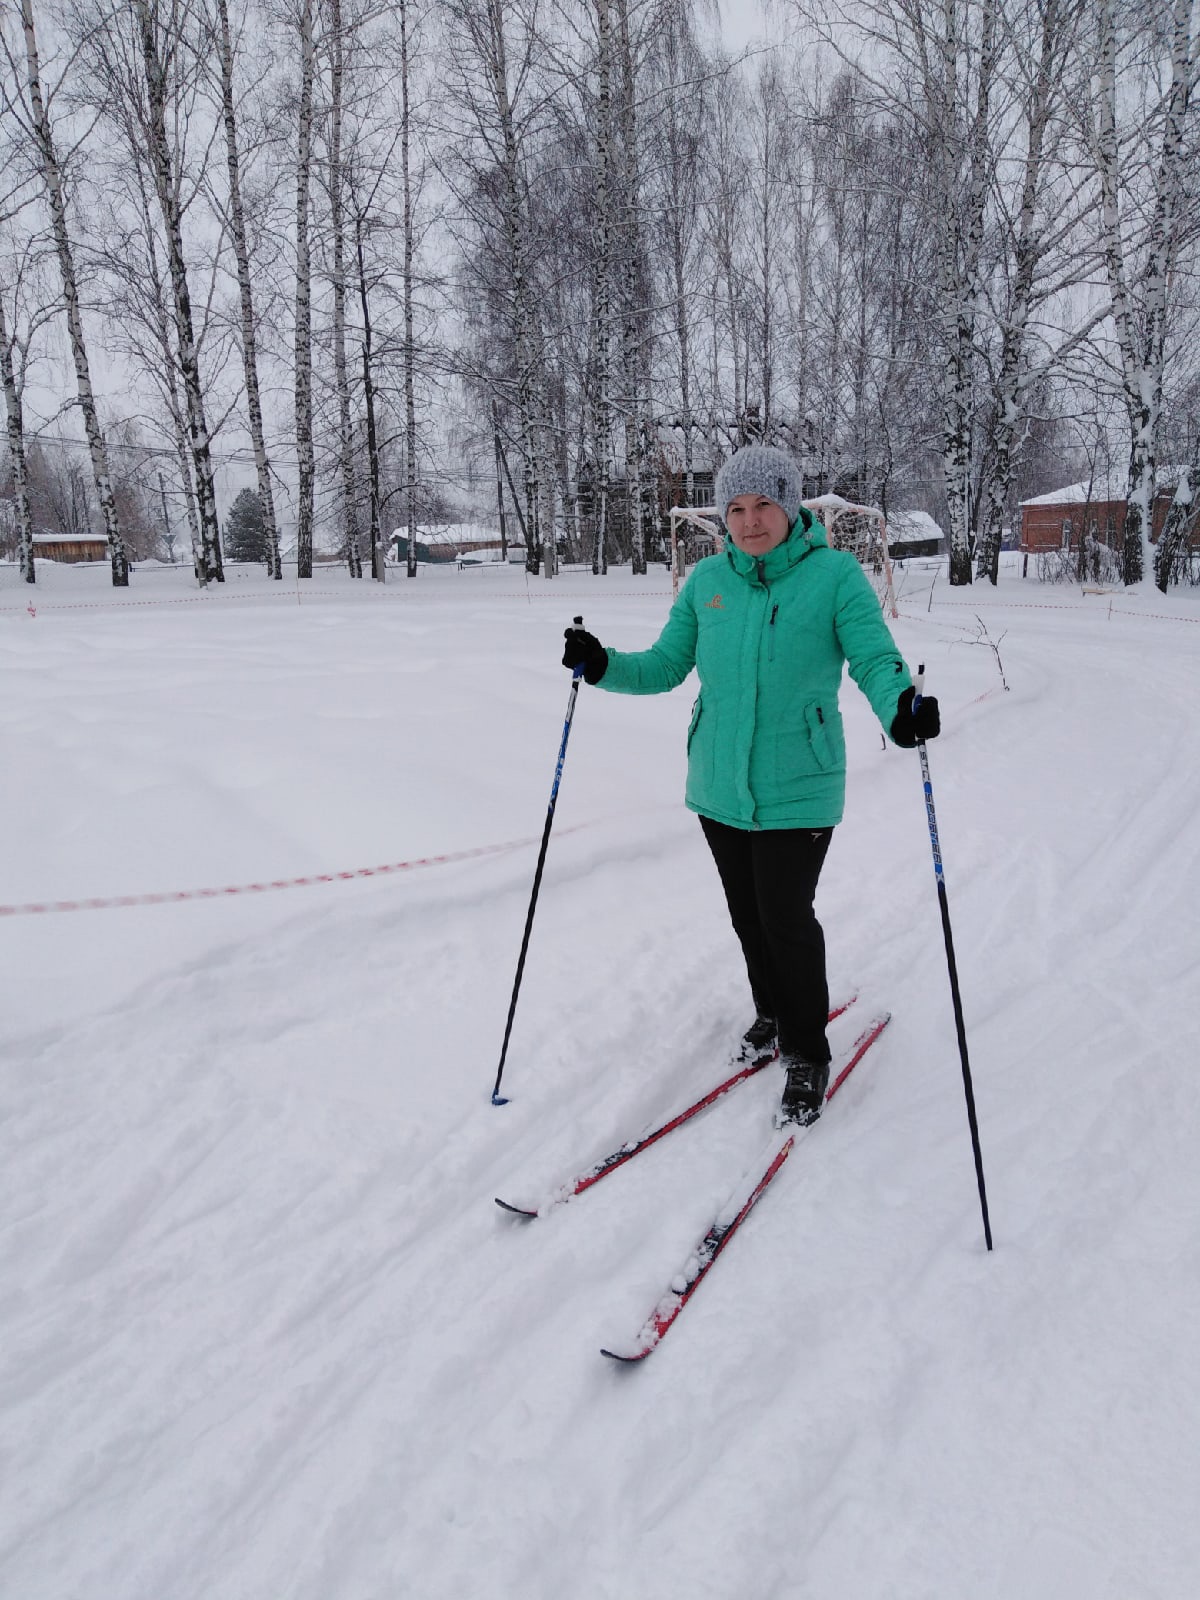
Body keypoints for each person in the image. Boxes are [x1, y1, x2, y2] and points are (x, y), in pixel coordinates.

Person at [562, 443, 939, 1126]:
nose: (749, 520)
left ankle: (806, 1051)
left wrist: (901, 707)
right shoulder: (708, 582)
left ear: (791, 507)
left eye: (763, 504)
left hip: (800, 783)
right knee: (748, 916)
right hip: (718, 786)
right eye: (735, 508)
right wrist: (601, 664)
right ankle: (772, 1009)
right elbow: (663, 666)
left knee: (786, 919)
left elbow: (875, 659)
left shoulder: (834, 577)